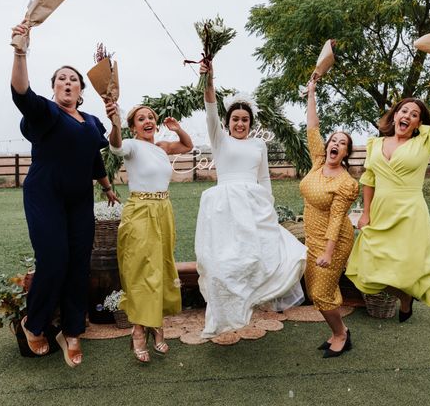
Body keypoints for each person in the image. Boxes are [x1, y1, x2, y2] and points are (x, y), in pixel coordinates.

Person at [10, 22, 118, 367]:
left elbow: (93, 158)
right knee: (54, 260)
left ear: (82, 90)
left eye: (73, 79)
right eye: (61, 79)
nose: (67, 83)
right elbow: (21, 93)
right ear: (53, 87)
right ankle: (34, 323)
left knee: (77, 264)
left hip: (79, 199)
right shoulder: (47, 112)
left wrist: (106, 186)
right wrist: (20, 51)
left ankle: (72, 330)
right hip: (45, 194)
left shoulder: (90, 122)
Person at [345, 59, 430, 322]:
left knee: (413, 264)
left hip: (410, 213)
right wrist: (365, 212)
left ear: (418, 123)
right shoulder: (375, 144)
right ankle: (404, 297)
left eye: (414, 114)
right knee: (368, 269)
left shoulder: (426, 141)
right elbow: (369, 179)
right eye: (403, 111)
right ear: (395, 115)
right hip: (381, 214)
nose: (407, 116)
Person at [195, 60, 307, 338]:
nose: (240, 123)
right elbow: (210, 108)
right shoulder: (219, 139)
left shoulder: (259, 145)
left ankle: (249, 301)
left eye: (245, 120)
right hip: (223, 207)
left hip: (254, 206)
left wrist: (268, 208)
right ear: (227, 122)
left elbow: (265, 178)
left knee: (258, 258)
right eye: (235, 119)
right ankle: (222, 316)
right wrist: (209, 79)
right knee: (223, 263)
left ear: (251, 123)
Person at [105, 101, 193, 363]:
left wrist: (177, 129)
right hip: (140, 211)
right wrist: (115, 123)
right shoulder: (132, 146)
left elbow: (187, 146)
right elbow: (116, 145)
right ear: (133, 127)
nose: (147, 121)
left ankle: (156, 324)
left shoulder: (162, 147)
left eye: (150, 117)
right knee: (141, 271)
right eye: (141, 119)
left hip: (164, 210)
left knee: (162, 269)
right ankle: (140, 330)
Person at [299, 76, 359, 358]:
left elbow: (337, 220)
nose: (335, 144)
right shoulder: (318, 161)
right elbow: (313, 127)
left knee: (321, 293)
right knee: (315, 292)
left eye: (342, 143)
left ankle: (341, 334)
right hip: (311, 237)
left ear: (346, 153)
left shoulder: (345, 183)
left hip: (332, 241)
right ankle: (339, 329)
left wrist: (328, 251)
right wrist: (312, 92)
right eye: (333, 140)